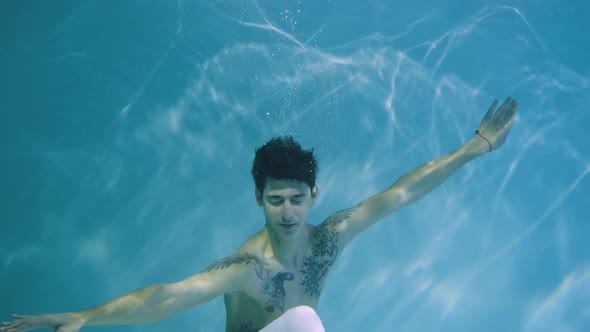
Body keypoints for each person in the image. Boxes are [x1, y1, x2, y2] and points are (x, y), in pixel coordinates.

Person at [1, 98, 518, 332]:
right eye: (276, 200)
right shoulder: (249, 268)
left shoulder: (330, 239)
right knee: (304, 321)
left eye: (296, 197)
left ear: (314, 193)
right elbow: (168, 296)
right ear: (259, 200)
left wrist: (473, 148)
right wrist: (87, 317)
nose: (288, 211)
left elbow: (401, 192)